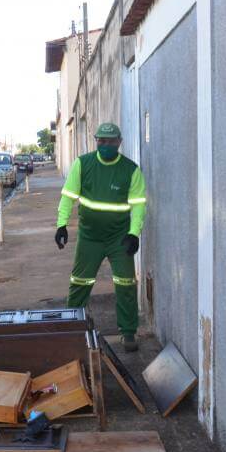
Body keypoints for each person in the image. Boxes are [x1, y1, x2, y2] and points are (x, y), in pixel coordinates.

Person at [55, 122, 147, 352]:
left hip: (119, 238)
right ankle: (71, 328)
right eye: (101, 141)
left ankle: (128, 333)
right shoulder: (82, 164)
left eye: (110, 141)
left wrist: (134, 234)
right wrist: (61, 225)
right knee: (79, 283)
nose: (105, 145)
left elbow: (138, 206)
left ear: (119, 142)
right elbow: (68, 197)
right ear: (96, 141)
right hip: (90, 237)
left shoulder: (130, 170)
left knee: (125, 284)